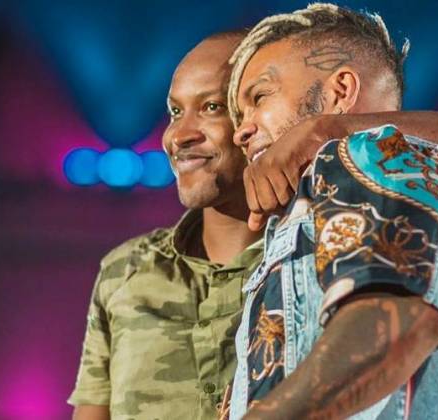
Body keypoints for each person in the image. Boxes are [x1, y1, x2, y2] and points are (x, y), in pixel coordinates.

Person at [225, 3, 438, 419]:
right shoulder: (341, 190)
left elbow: (396, 326)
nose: (240, 130)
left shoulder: (371, 156)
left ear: (340, 92)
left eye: (259, 97)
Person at [68, 31, 264, 420]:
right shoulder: (125, 271)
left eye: (211, 107)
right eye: (175, 112)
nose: (178, 135)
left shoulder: (319, 261)